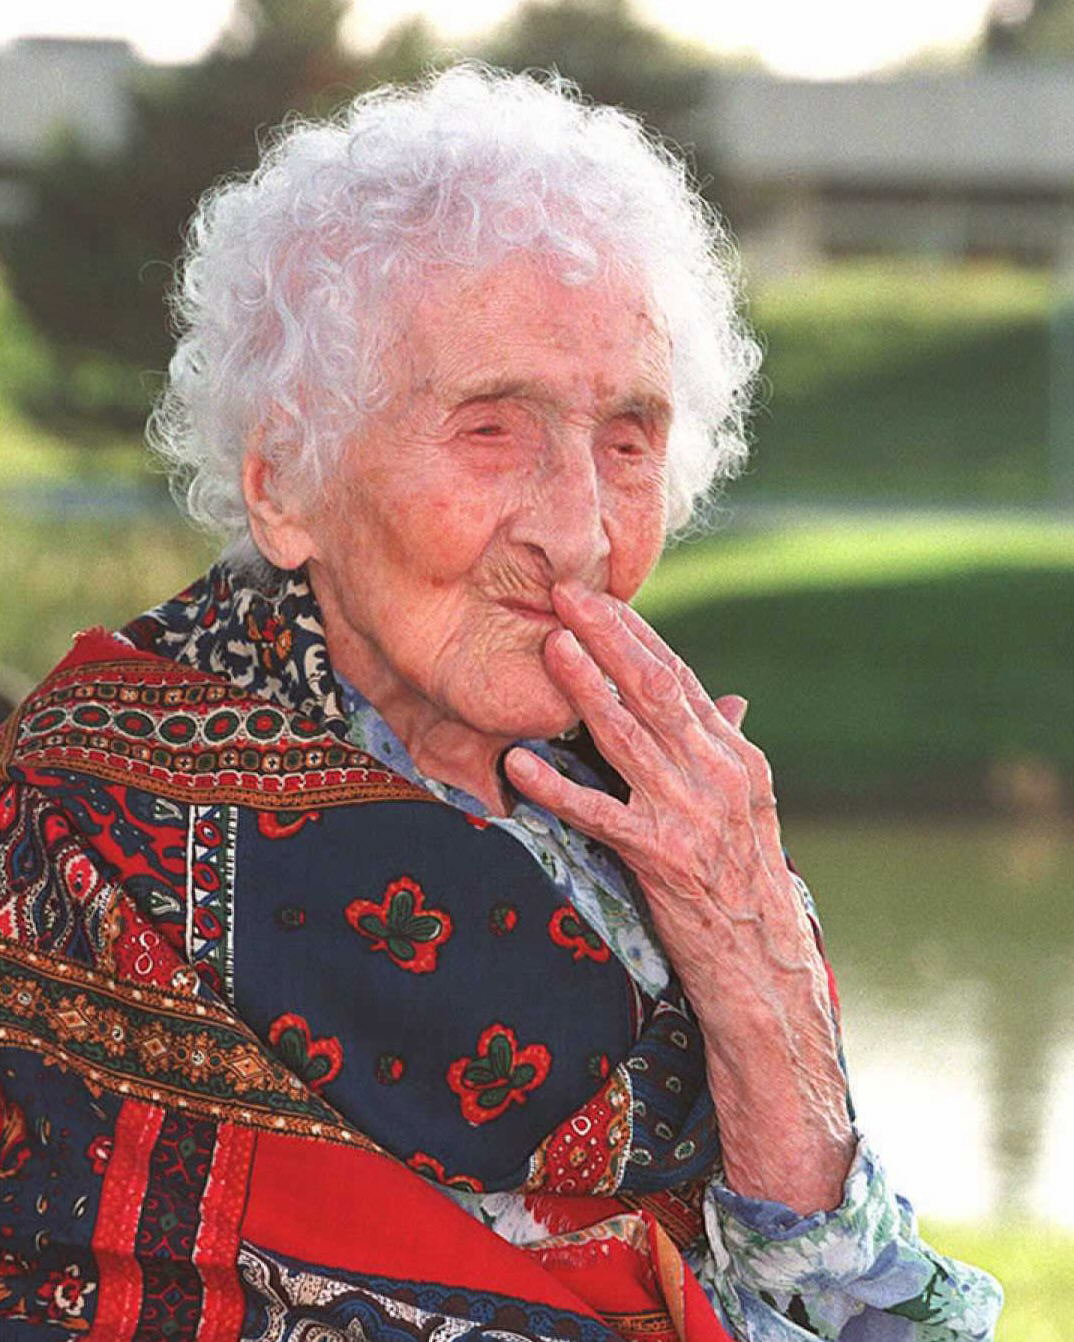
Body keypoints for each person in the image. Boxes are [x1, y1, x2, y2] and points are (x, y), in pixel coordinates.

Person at [0, 66, 1001, 1341]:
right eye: (491, 430)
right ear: (285, 485)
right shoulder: (89, 825)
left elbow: (870, 1306)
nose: (579, 531)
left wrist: (766, 993)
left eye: (629, 440)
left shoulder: (682, 830)